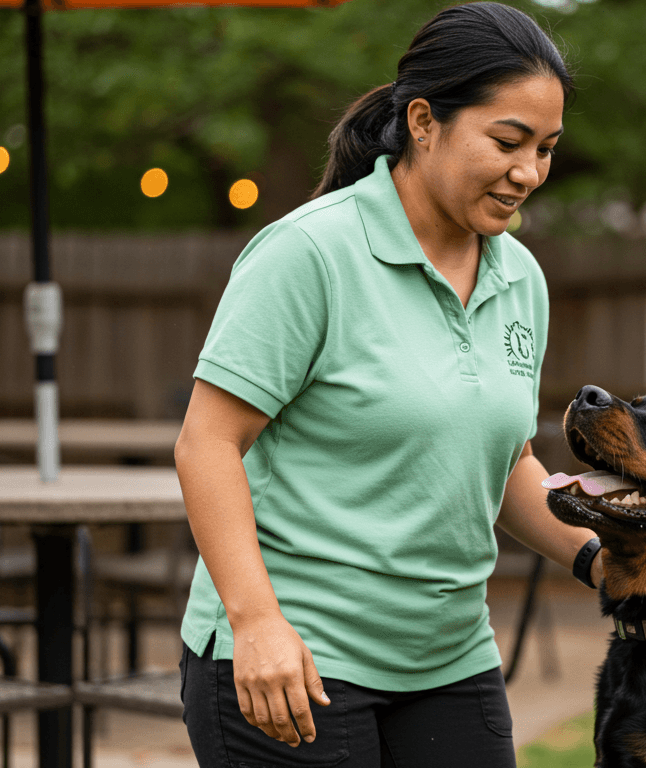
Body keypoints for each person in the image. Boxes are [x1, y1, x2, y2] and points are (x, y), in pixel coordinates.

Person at [174, 4, 599, 766]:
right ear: (424, 121)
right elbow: (209, 443)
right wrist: (257, 624)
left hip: (449, 659)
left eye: (545, 149)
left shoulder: (519, 277)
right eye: (508, 141)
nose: (529, 172)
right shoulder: (310, 254)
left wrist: (608, 562)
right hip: (298, 657)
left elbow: (501, 465)